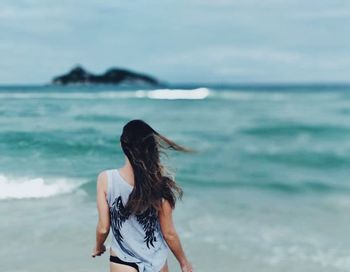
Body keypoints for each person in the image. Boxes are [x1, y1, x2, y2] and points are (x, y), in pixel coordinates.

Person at [91, 119, 194, 272]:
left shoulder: (106, 179)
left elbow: (103, 228)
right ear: (152, 148)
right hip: (156, 261)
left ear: (122, 145)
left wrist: (98, 246)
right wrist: (184, 263)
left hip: (122, 261)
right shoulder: (160, 185)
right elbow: (169, 233)